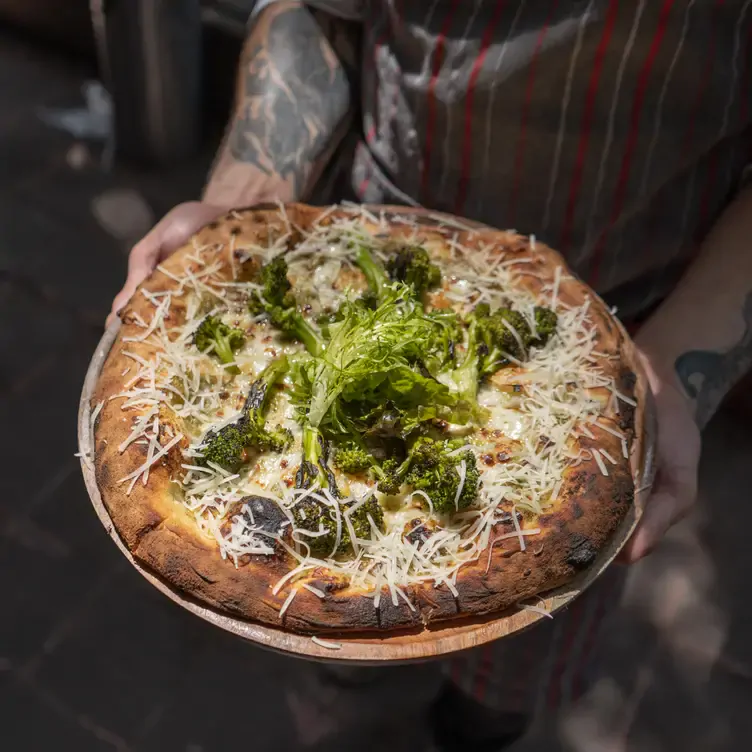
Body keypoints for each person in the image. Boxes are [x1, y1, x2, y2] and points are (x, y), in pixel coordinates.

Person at [109, 2, 752, 749]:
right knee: (338, 674)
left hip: (626, 335)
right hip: (355, 255)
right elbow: (312, 12)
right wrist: (240, 207)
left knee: (502, 696)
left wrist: (677, 365)